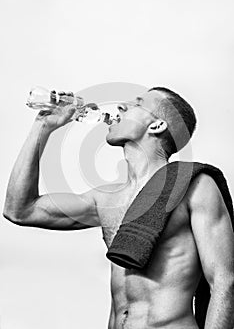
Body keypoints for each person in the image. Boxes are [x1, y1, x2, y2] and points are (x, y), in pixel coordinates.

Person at [3, 87, 234, 329]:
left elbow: (224, 280)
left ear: (156, 126)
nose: (121, 106)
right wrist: (43, 127)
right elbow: (19, 210)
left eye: (137, 103)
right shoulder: (105, 199)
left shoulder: (194, 186)